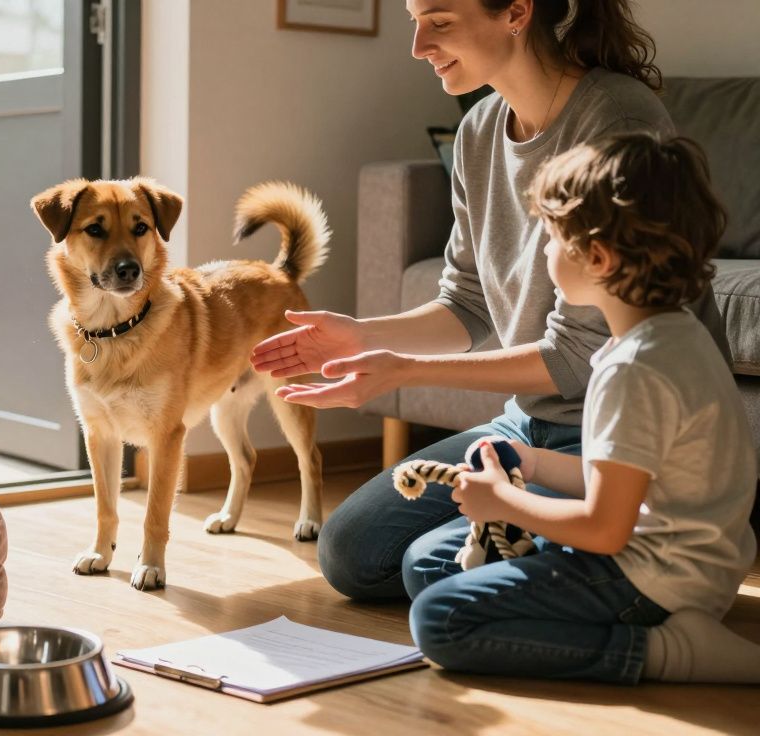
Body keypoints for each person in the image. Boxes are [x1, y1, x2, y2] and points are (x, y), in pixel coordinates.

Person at [249, 0, 731, 600]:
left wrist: (402, 371)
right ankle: (542, 547)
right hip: (532, 426)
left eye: (441, 21)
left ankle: (597, 556)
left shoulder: (615, 118)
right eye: (414, 20)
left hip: (619, 432)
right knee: (352, 551)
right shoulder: (479, 132)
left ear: (516, 13)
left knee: (424, 565)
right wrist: (365, 335)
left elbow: (577, 354)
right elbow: (469, 301)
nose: (419, 45)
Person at [407, 132, 760, 684]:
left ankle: (673, 651)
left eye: (550, 238)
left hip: (655, 579)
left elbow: (604, 528)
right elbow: (620, 487)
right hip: (690, 565)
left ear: (596, 257)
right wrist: (534, 463)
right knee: (427, 565)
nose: (543, 250)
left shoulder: (636, 369)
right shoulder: (672, 335)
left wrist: (505, 501)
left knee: (440, 619)